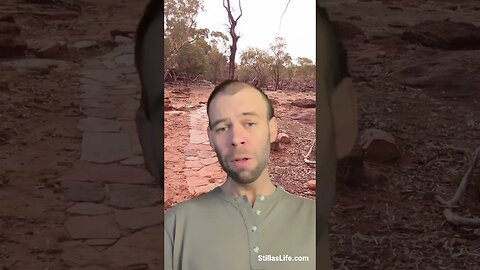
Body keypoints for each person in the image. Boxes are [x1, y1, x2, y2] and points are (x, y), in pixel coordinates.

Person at [164, 80, 316, 270]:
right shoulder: (176, 225)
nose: (236, 139)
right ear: (210, 139)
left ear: (272, 130)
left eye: (250, 123)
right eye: (222, 128)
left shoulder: (315, 219)